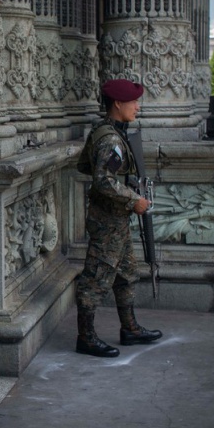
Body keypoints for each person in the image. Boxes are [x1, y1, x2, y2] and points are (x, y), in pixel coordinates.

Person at [74, 79, 163, 358]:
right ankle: (85, 338)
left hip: (116, 220)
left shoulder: (110, 133)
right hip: (107, 222)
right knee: (96, 279)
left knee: (126, 273)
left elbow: (85, 165)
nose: (137, 107)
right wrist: (133, 199)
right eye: (134, 102)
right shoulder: (110, 139)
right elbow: (103, 181)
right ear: (118, 104)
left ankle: (130, 328)